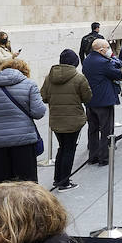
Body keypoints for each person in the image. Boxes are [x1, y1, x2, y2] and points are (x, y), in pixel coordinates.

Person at [0, 58, 46, 185]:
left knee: (0, 187)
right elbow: (38, 112)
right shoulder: (30, 85)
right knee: (27, 187)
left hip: (0, 144)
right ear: (25, 71)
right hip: (24, 143)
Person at [40, 50, 90, 192]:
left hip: (56, 119)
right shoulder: (79, 78)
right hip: (74, 120)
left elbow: (43, 97)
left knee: (62, 148)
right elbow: (87, 97)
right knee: (69, 149)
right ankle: (64, 182)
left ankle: (58, 179)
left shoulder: (49, 77)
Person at [82, 38, 122, 166]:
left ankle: (93, 156)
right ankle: (104, 157)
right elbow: (117, 74)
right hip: (104, 101)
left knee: (93, 129)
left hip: (90, 100)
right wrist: (113, 59)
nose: (109, 49)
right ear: (101, 50)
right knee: (106, 130)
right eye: (107, 47)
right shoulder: (103, 62)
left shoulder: (88, 59)